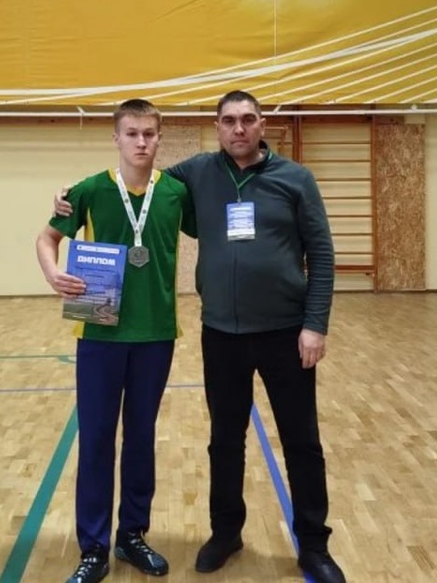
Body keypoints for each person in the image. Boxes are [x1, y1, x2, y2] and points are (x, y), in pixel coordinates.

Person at [54, 90, 345, 583]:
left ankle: (314, 545)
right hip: (222, 333)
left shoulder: (296, 179)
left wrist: (315, 324)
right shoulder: (198, 173)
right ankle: (226, 533)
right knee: (224, 441)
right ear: (217, 127)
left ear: (262, 124)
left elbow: (322, 252)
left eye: (248, 119)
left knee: (302, 441)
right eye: (229, 121)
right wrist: (71, 195)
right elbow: (137, 180)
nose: (238, 129)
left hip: (285, 332)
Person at [36, 98, 196, 583]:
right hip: (100, 334)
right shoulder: (88, 190)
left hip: (156, 335)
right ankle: (93, 547)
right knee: (97, 439)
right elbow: (47, 238)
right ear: (116, 138)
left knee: (141, 438)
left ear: (160, 137)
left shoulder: (176, 193)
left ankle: (132, 535)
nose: (141, 142)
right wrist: (53, 274)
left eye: (149, 133)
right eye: (132, 133)